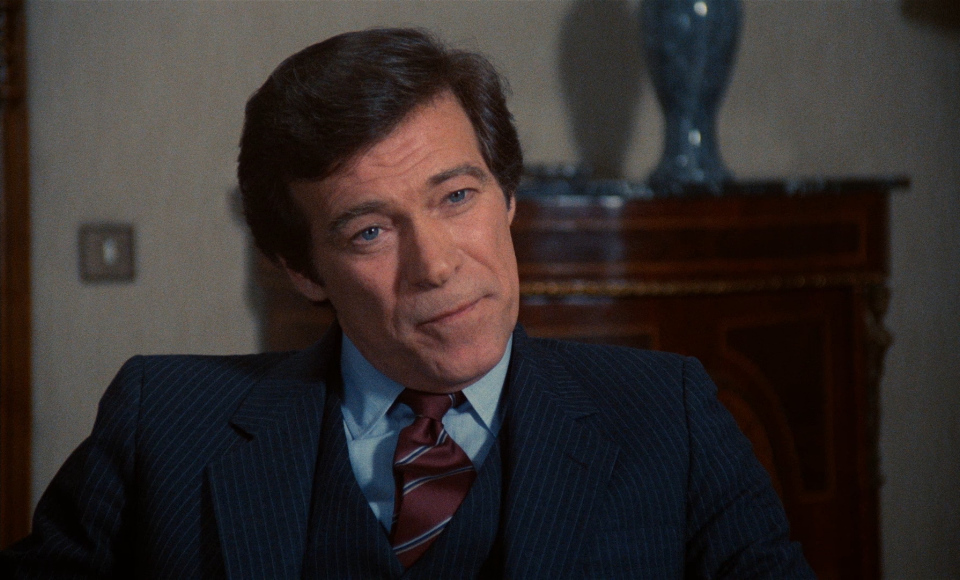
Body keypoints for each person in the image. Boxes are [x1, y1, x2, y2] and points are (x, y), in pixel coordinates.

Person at [3, 28, 813, 578]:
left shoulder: (668, 417)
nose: (436, 265)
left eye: (457, 196)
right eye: (369, 232)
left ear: (508, 199)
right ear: (302, 270)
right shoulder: (160, 425)